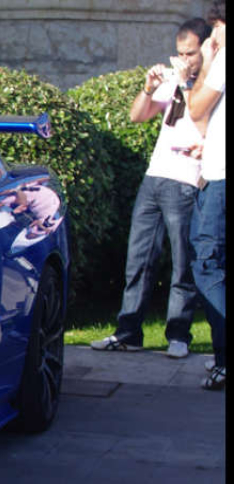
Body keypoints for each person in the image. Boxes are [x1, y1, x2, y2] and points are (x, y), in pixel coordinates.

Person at [89, 18, 210, 359]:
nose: (184, 59)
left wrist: (187, 84)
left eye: (190, 53)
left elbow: (205, 126)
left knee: (182, 263)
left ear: (206, 49)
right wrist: (148, 88)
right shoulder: (174, 81)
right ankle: (128, 332)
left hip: (186, 181)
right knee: (139, 259)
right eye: (180, 53)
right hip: (155, 177)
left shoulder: (211, 85)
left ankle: (179, 335)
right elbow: (137, 116)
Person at [188, 2, 226, 389]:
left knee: (209, 265)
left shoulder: (224, 57)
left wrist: (207, 64)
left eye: (217, 26)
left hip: (221, 180)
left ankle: (225, 361)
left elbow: (196, 108)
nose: (213, 35)